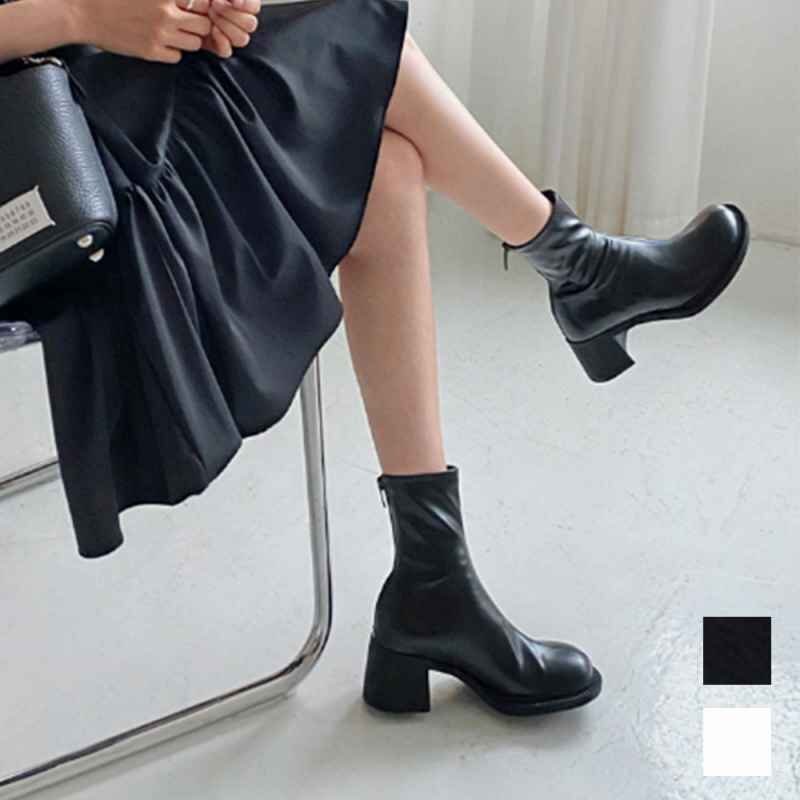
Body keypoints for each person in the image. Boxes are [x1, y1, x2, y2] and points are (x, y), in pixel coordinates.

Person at [0, 0, 748, 717]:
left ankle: (433, 575)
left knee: (383, 163)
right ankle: (580, 271)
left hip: (77, 87)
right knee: (361, 42)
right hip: (33, 160)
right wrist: (83, 12)